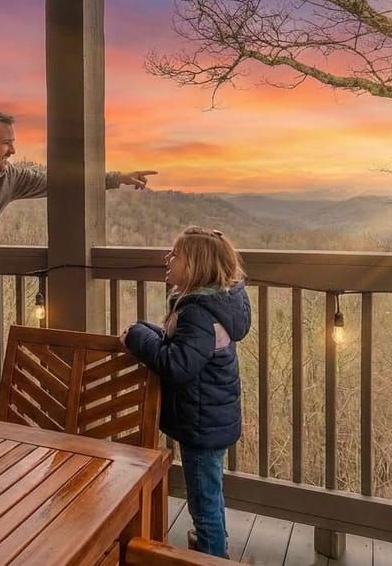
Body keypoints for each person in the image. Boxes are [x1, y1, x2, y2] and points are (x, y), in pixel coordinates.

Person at [0, 107, 157, 320]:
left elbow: (61, 180)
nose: (13, 151)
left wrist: (116, 178)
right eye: (6, 143)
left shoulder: (9, 179)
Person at [119, 226, 251, 558]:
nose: (168, 258)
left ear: (193, 266)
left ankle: (211, 556)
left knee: (204, 505)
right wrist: (142, 330)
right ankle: (214, 549)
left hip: (201, 424)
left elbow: (177, 364)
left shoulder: (197, 313)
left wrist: (137, 336)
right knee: (210, 494)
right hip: (210, 417)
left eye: (175, 254)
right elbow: (179, 345)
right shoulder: (215, 305)